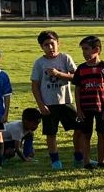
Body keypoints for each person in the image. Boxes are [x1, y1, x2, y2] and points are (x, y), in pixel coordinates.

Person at [50, 35, 104, 169]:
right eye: (83, 50)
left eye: (86, 49)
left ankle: (102, 160)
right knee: (86, 134)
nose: (84, 53)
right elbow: (77, 90)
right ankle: (87, 161)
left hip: (101, 107)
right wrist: (78, 110)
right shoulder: (81, 69)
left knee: (102, 133)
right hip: (85, 108)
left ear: (96, 49)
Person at [30, 30, 81, 169]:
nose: (50, 47)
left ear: (58, 43)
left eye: (52, 44)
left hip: (66, 102)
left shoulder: (65, 58)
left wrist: (59, 74)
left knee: (80, 128)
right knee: (51, 133)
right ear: (42, 47)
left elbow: (76, 77)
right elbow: (35, 86)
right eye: (46, 45)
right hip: (48, 104)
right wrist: (41, 105)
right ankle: (55, 161)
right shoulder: (39, 63)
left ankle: (79, 157)